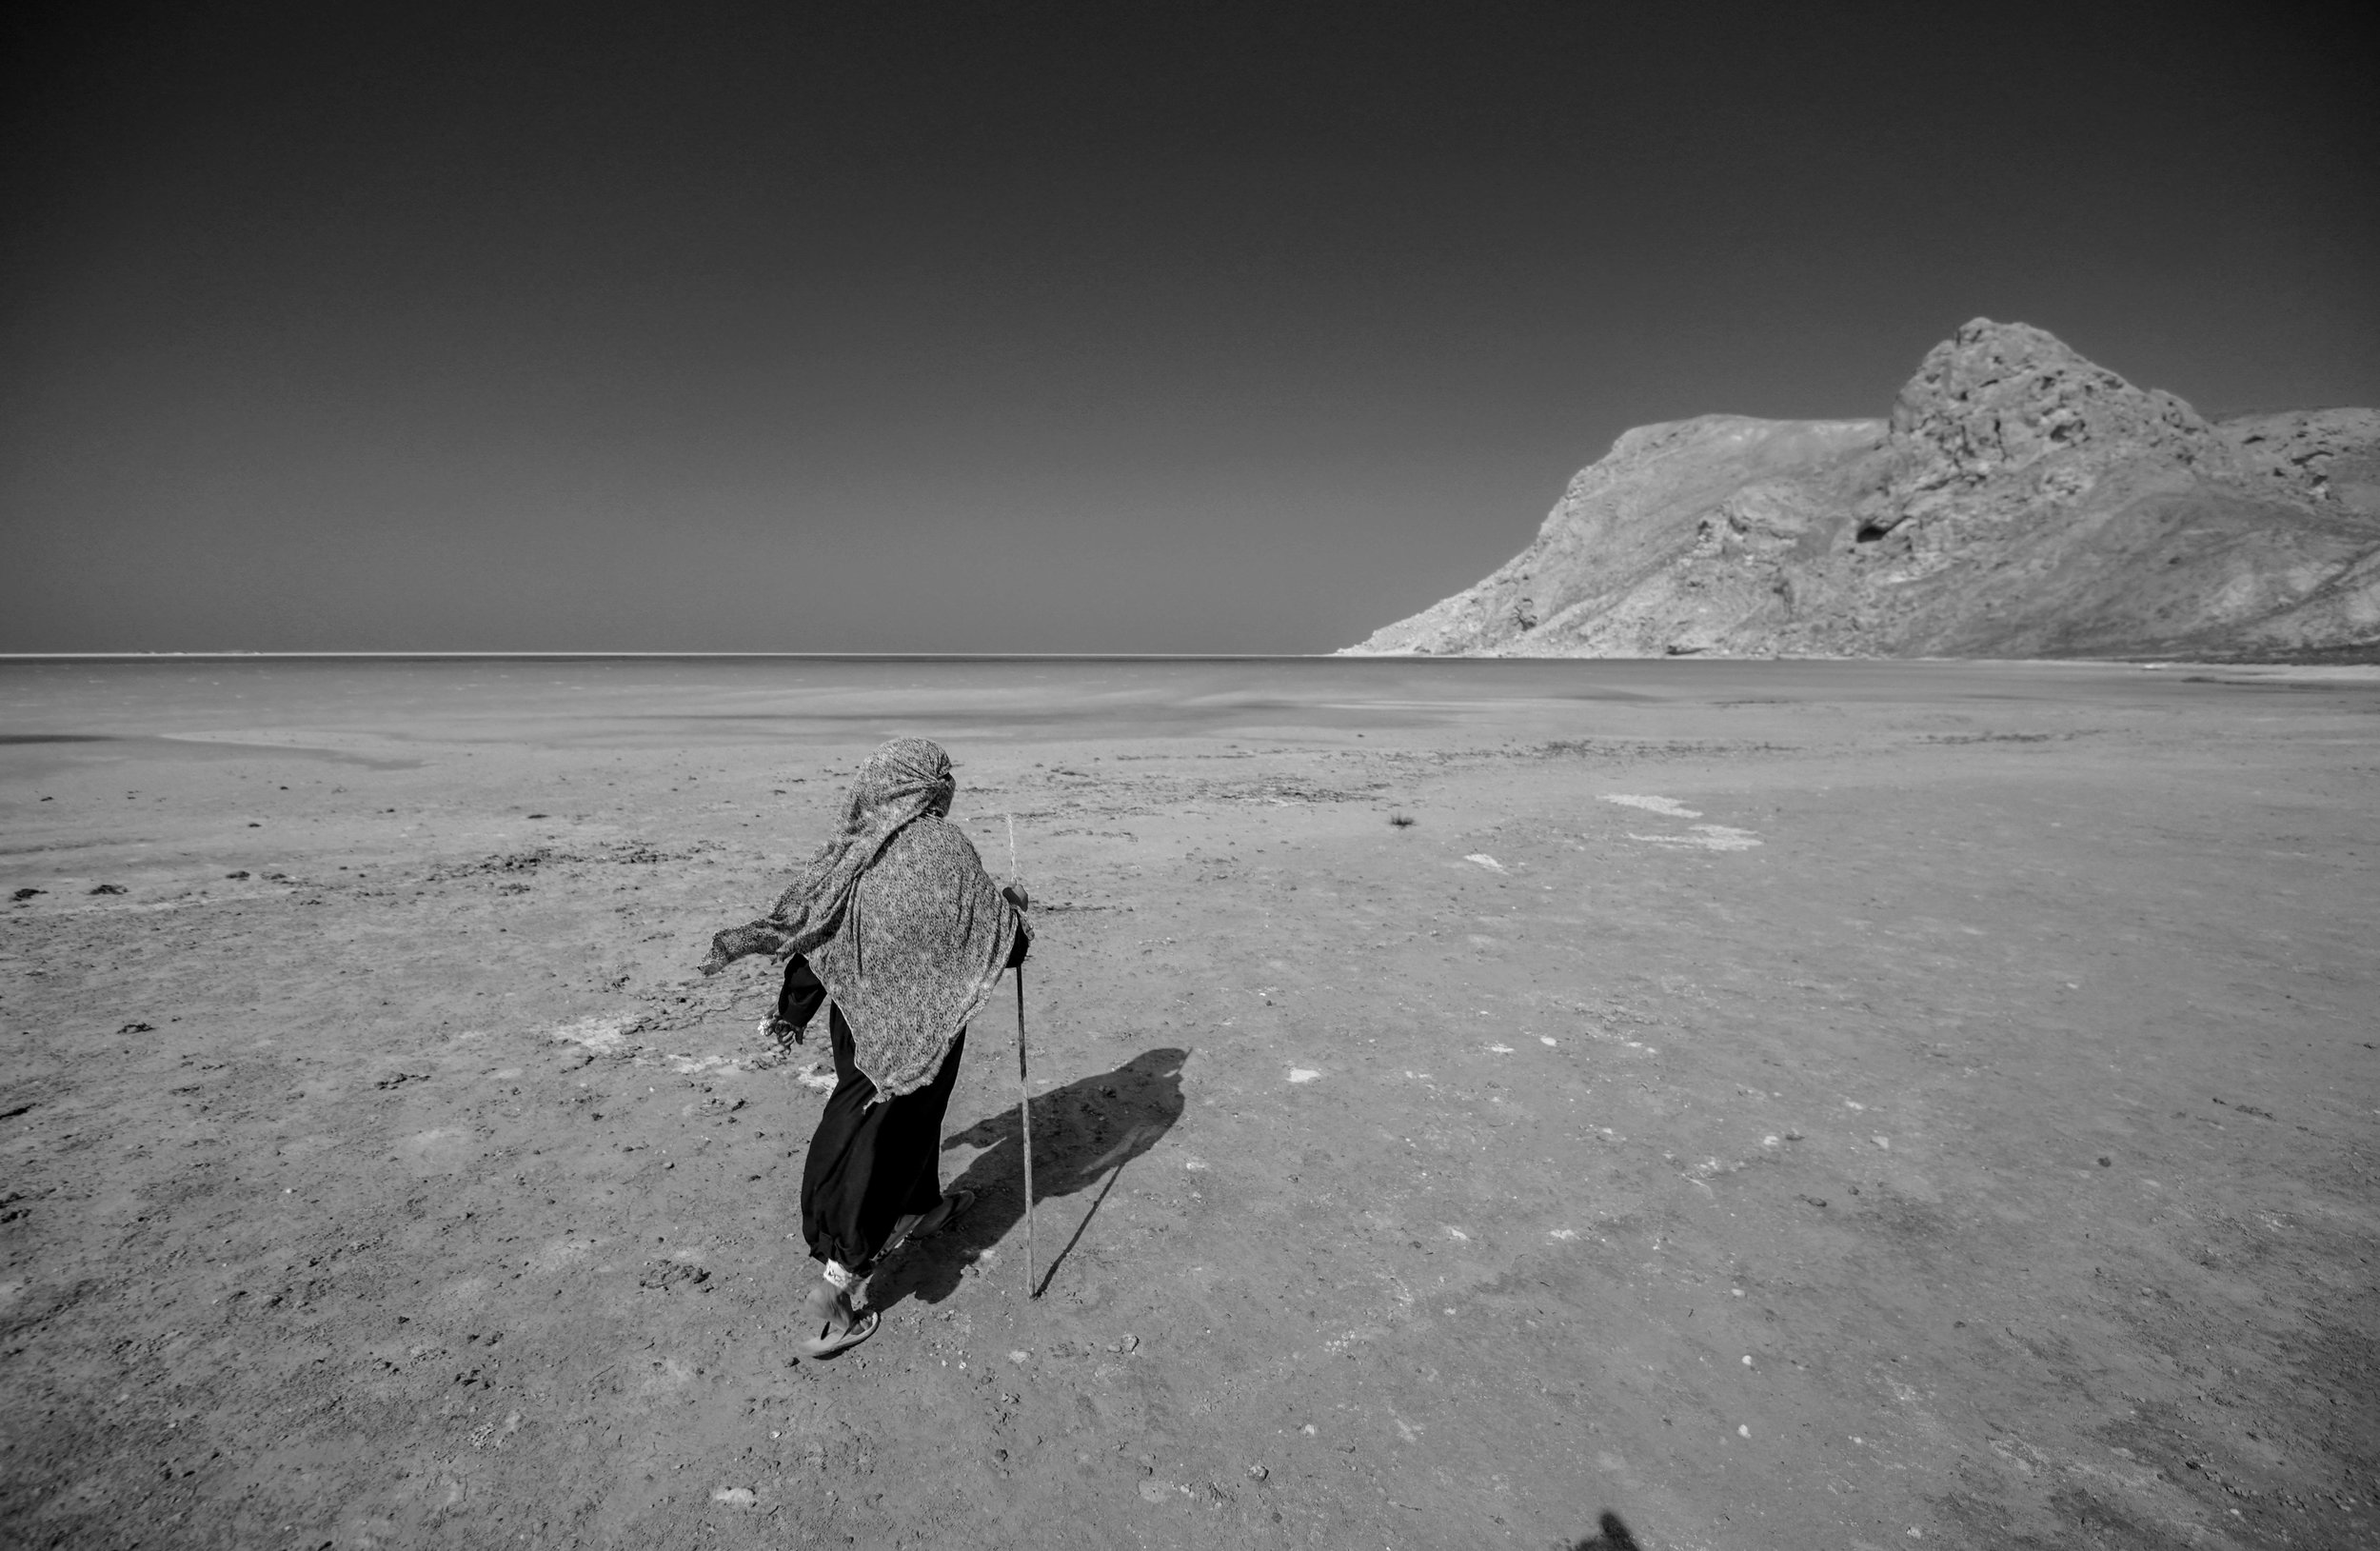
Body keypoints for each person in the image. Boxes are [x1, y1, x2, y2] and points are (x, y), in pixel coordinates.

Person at [701, 737, 1029, 1358]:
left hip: (858, 1017)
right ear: (926, 788)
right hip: (926, 1029)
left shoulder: (854, 848)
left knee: (887, 1113)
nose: (949, 785)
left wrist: (792, 1011)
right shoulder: (949, 851)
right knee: (885, 1129)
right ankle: (836, 1288)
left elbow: (816, 933)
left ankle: (921, 1206)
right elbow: (1004, 945)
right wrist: (1014, 916)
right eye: (944, 777)